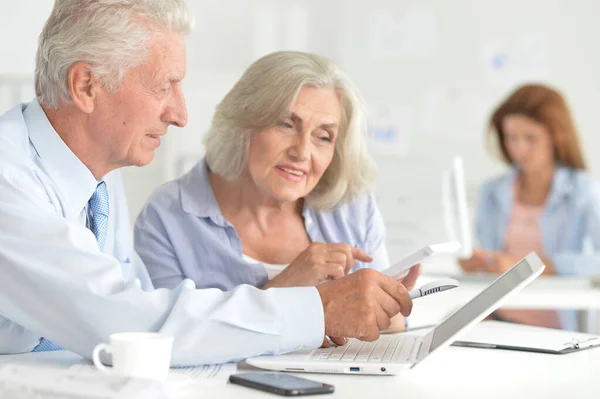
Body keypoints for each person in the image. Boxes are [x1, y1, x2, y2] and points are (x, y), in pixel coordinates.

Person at [0, 0, 414, 363]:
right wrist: (318, 308)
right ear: (86, 86)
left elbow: (147, 305)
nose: (180, 114)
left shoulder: (97, 183)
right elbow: (132, 324)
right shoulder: (9, 181)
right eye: (165, 86)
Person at [134, 51, 420, 333]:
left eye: (323, 137)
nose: (302, 152)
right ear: (243, 123)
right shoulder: (168, 216)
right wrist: (289, 285)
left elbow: (390, 324)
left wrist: (392, 306)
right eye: (285, 124)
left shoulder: (352, 208)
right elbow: (166, 336)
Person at [459, 83, 600, 330]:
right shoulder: (492, 192)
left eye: (530, 138)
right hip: (497, 321)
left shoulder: (584, 191)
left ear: (556, 137)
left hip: (558, 329)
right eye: (511, 138)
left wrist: (532, 265)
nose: (519, 149)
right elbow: (494, 261)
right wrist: (480, 263)